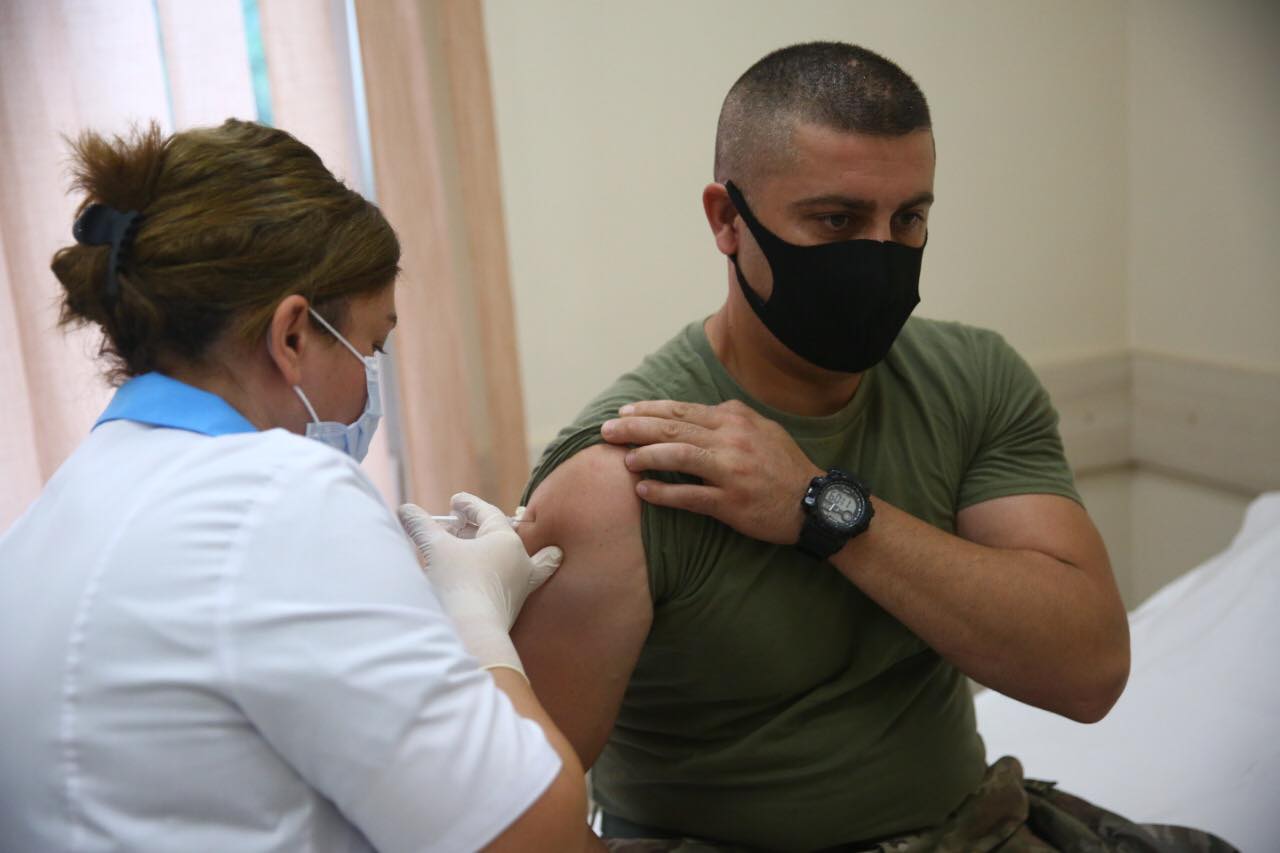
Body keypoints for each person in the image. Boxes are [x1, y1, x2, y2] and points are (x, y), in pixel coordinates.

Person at [512, 43, 1236, 851]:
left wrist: (819, 506)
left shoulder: (973, 379)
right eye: (837, 220)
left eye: (909, 219)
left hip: (972, 830)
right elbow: (519, 819)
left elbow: (1089, 668)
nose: (881, 254)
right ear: (727, 221)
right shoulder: (622, 474)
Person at [0, 120, 601, 852]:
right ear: (291, 335)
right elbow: (539, 835)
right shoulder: (279, 496)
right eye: (373, 345)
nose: (372, 385)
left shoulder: (46, 522)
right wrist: (475, 625)